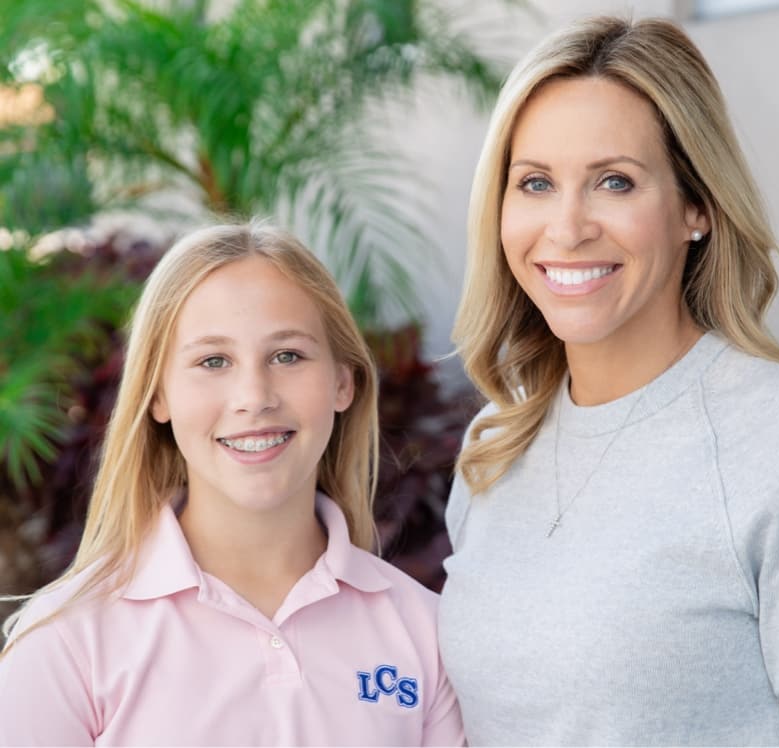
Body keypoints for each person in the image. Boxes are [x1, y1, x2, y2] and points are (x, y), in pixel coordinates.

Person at [438, 14, 779, 747]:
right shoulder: (494, 442)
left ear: (696, 207)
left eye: (614, 181)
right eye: (535, 183)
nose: (567, 228)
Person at [0, 221, 464, 746]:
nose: (254, 396)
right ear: (158, 395)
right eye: (213, 361)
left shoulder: (423, 634)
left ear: (342, 382)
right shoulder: (67, 642)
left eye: (287, 355)